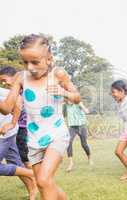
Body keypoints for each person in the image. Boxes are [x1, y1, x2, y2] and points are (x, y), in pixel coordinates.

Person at [0, 34, 81, 200]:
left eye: (35, 62)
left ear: (49, 59)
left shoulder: (58, 74)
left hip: (56, 134)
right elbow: (7, 109)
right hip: (34, 138)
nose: (29, 67)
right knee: (44, 182)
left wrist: (63, 92)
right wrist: (11, 122)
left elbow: (77, 97)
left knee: (43, 180)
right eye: (25, 62)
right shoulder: (20, 77)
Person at [0, 87, 38, 200]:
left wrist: (12, 123)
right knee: (15, 163)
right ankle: (32, 190)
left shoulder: (3, 92)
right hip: (8, 133)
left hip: (4, 133)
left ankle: (33, 174)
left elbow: (18, 97)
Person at [0, 66, 30, 168]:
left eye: (4, 80)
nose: (4, 83)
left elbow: (19, 102)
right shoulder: (16, 90)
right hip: (23, 127)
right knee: (22, 158)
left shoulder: (23, 85)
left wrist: (13, 123)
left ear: (14, 76)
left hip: (24, 127)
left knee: (25, 158)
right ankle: (35, 180)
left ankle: (36, 178)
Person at [64, 101, 93, 172]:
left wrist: (82, 106)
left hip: (82, 126)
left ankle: (90, 158)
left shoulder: (78, 103)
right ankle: (71, 163)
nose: (68, 101)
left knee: (84, 144)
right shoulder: (66, 105)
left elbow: (87, 111)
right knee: (69, 142)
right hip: (72, 127)